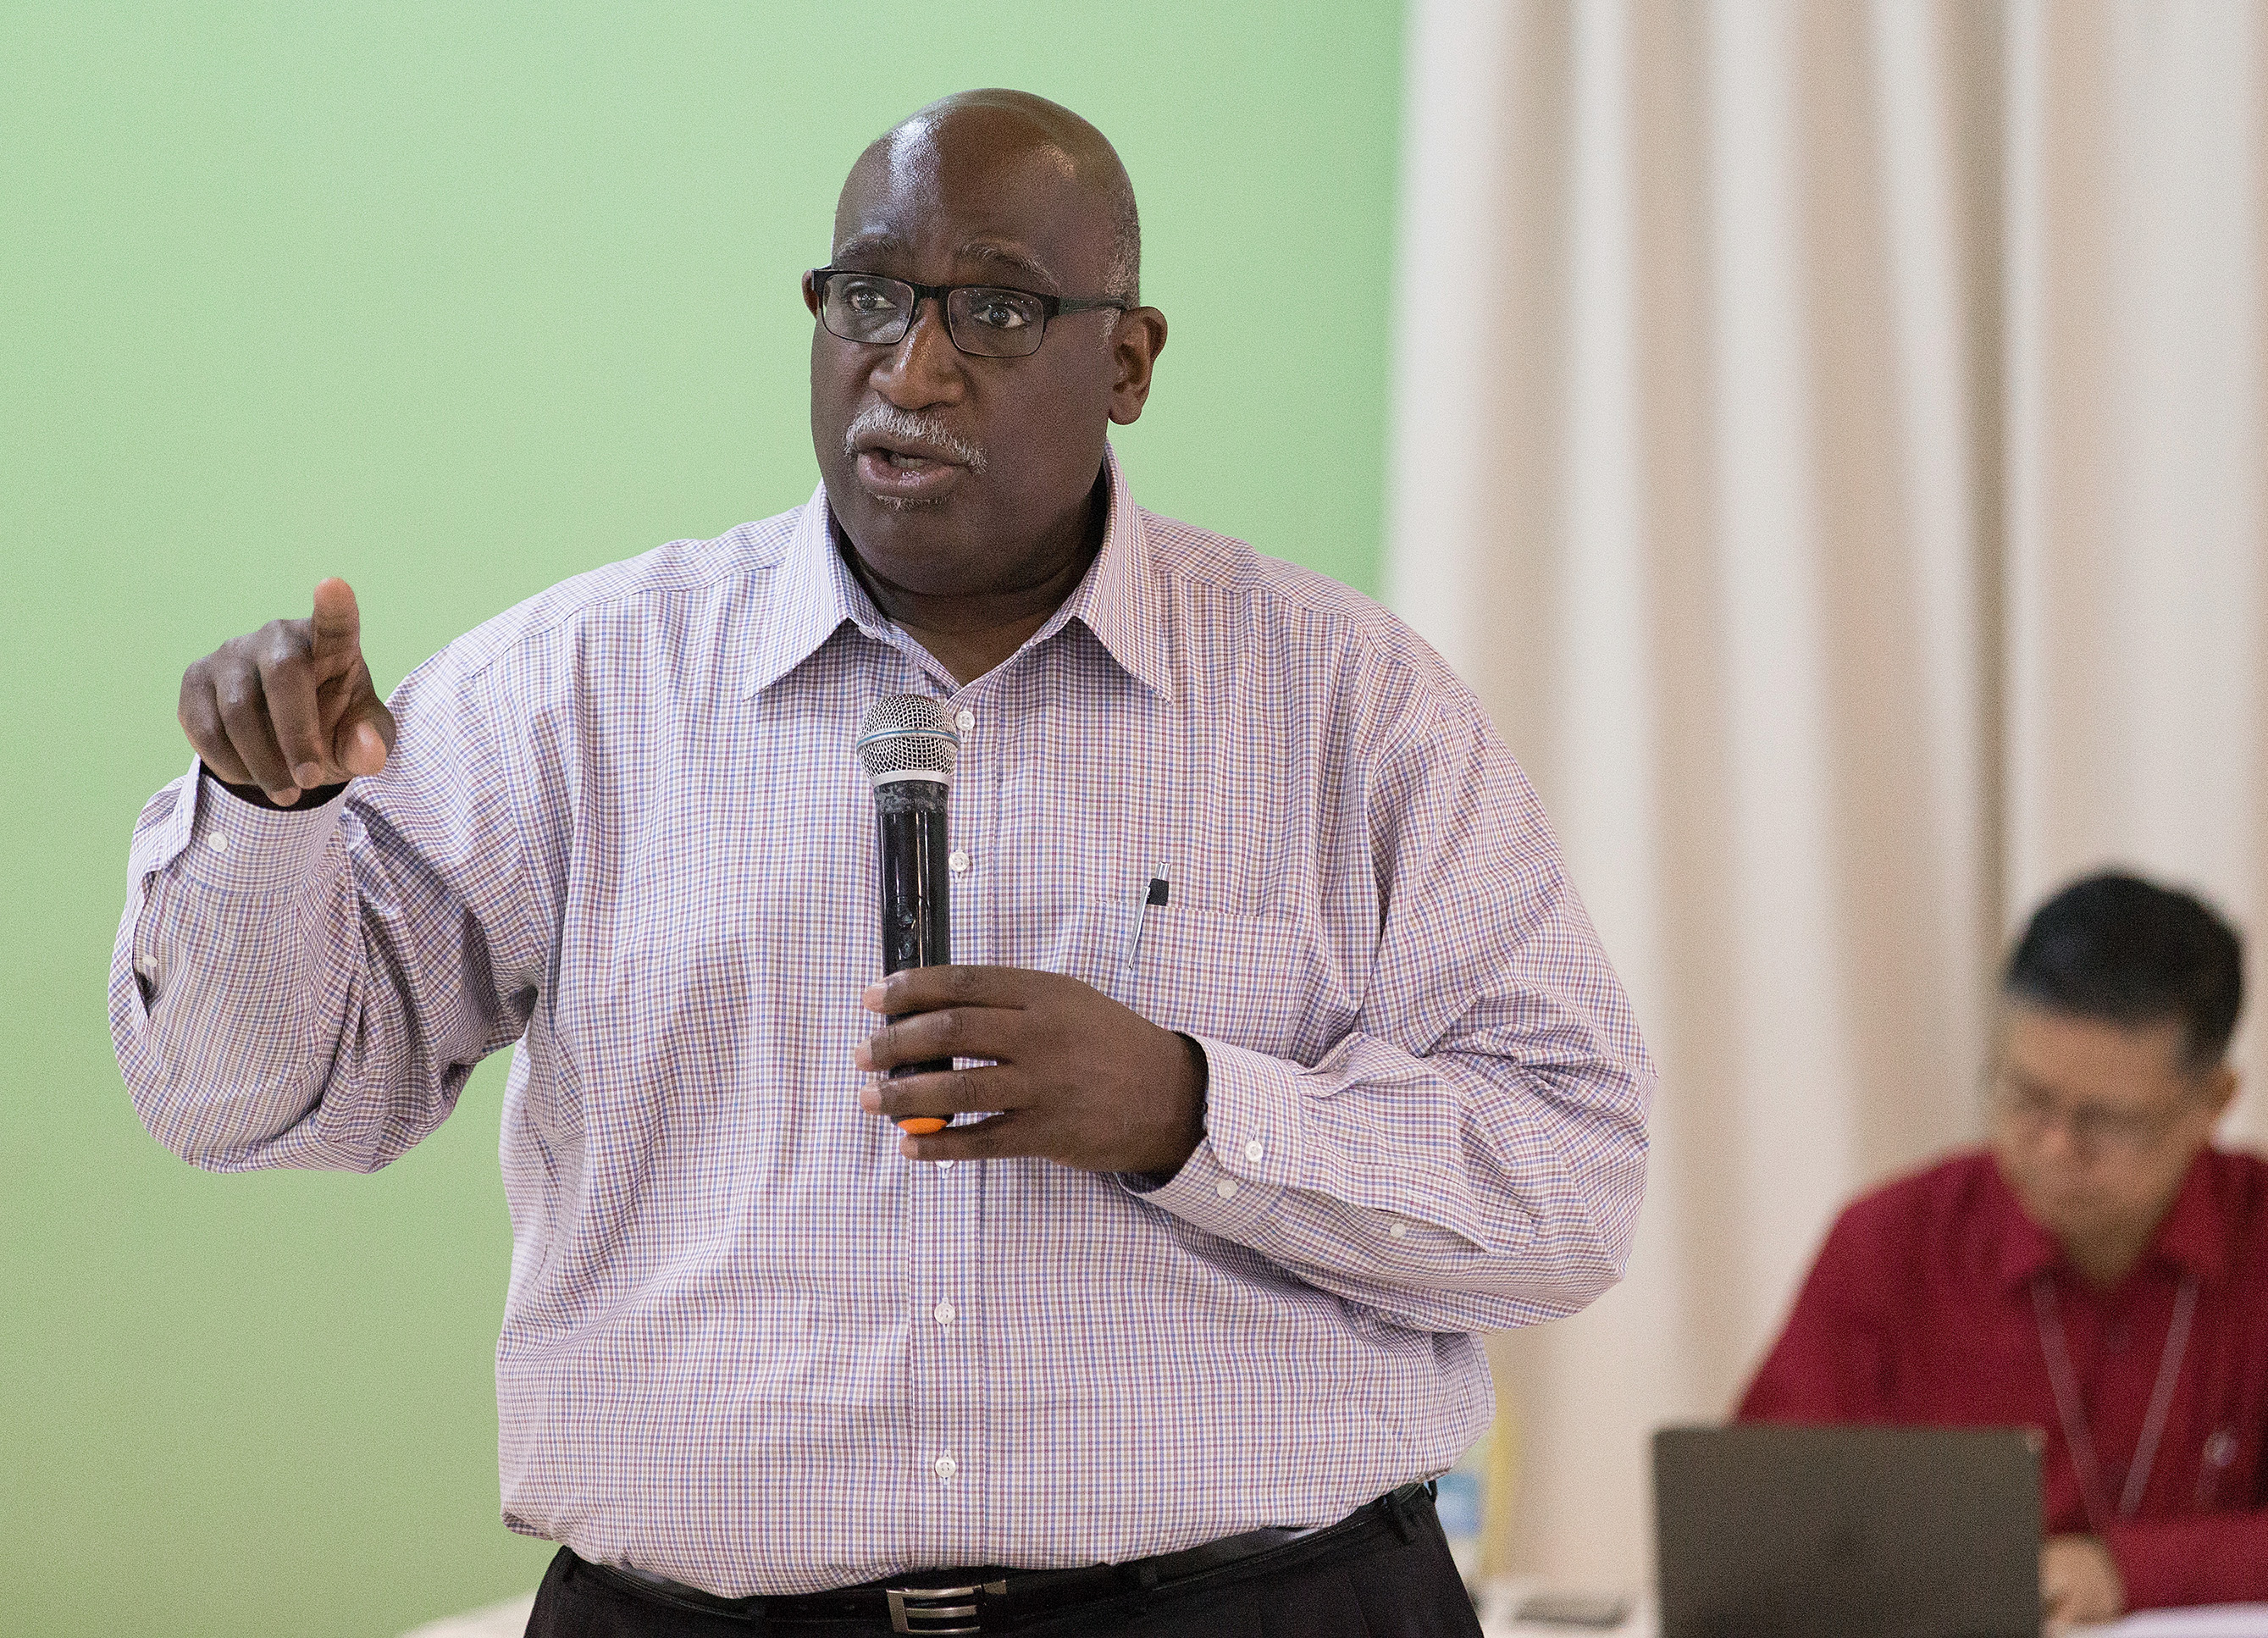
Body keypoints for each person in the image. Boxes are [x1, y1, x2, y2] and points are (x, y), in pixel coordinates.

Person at [110, 91, 1651, 1636]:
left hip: (1259, 1604)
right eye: (869, 297)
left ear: (1126, 360)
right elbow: (256, 1103)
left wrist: (1189, 1106)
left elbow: (1569, 1180)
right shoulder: (579, 689)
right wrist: (268, 815)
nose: (912, 369)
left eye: (993, 308)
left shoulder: (1342, 701)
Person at [1737, 872, 2268, 1631]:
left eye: (2106, 1121)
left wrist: (2123, 1572)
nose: (2056, 1148)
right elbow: (1763, 1526)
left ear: (2214, 1102)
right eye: (2025, 1098)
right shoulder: (1892, 1242)